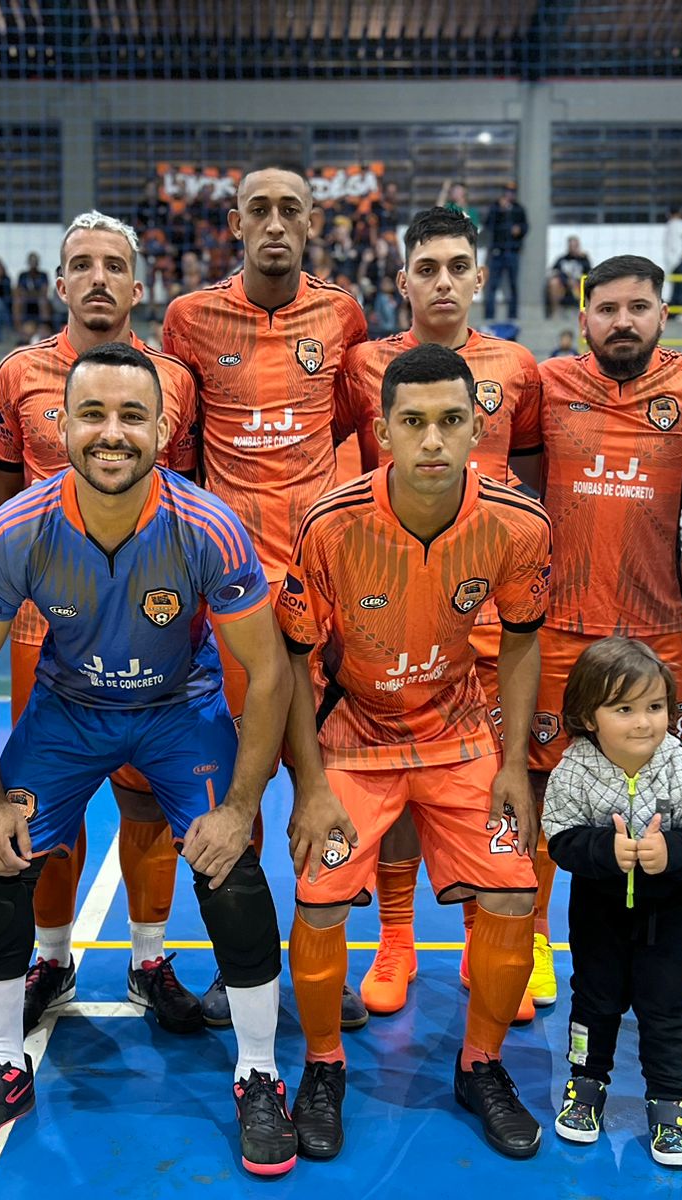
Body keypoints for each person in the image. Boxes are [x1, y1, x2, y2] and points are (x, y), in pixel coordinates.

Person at [0, 341, 298, 1174]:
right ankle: (2, 1061)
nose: (112, 432)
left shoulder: (207, 526)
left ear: (164, 428)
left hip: (181, 709)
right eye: (93, 413)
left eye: (132, 415)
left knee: (231, 869)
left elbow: (270, 667)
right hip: (69, 713)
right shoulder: (16, 529)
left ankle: (259, 1072)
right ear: (60, 423)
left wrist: (241, 805)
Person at [280, 343, 552, 1162]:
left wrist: (509, 765)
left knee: (513, 891)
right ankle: (323, 1066)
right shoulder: (330, 524)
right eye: (413, 422)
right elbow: (295, 659)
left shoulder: (517, 522)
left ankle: (482, 1064)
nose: (433, 439)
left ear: (477, 428)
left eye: (451, 421)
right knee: (320, 899)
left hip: (459, 733)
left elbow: (521, 645)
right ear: (383, 431)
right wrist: (309, 785)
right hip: (353, 736)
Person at [0, 212, 205, 1036]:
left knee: (148, 806)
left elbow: (185, 497)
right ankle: (51, 959)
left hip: (150, 627)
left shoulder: (174, 378)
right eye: (83, 264)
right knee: (50, 809)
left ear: (139, 285)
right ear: (62, 282)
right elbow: (2, 499)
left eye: (115, 263)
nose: (99, 277)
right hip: (47, 630)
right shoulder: (18, 374)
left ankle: (148, 959)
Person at [162, 163, 370, 1026]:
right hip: (231, 599)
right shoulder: (189, 319)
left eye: (291, 208)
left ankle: (329, 965)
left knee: (331, 787)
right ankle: (239, 964)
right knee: (230, 791)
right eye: (260, 210)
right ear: (235, 225)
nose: (276, 223)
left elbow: (355, 428)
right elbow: (175, 441)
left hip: (324, 596)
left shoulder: (343, 312)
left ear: (312, 222)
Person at [336, 207, 544, 1020]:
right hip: (392, 612)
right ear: (402, 280)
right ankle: (395, 941)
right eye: (427, 268)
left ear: (481, 277)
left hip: (492, 616)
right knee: (394, 788)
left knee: (486, 782)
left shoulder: (518, 366)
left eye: (458, 266)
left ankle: (475, 942)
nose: (444, 281)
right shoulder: (360, 365)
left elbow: (527, 477)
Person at [527, 255, 682, 1010]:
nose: (622, 321)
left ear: (662, 316)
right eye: (607, 308)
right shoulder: (547, 385)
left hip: (658, 628)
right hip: (560, 627)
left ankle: (670, 949)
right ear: (584, 316)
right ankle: (534, 942)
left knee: (674, 792)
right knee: (547, 785)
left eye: (637, 307)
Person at [544, 638, 682, 1167]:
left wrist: (672, 851)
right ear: (587, 715)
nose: (644, 722)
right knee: (593, 1001)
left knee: (668, 1009)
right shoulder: (573, 771)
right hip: (598, 916)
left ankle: (669, 1103)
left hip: (667, 920)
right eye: (623, 709)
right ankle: (585, 1085)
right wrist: (606, 849)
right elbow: (560, 837)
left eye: (655, 707)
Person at [482, 182, 527, 321]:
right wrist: (501, 211)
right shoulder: (496, 207)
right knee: (492, 285)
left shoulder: (519, 209)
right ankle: (489, 315)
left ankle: (512, 315)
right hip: (497, 251)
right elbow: (488, 224)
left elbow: (525, 226)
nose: (509, 194)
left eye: (512, 192)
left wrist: (519, 229)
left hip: (512, 251)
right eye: (507, 191)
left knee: (513, 285)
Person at [546, 236, 591, 318]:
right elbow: (554, 271)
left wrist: (577, 280)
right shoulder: (562, 259)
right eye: (571, 246)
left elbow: (589, 274)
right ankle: (555, 312)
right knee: (553, 283)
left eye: (575, 246)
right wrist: (566, 280)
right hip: (564, 285)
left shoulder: (583, 260)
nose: (573, 248)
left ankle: (586, 313)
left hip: (578, 285)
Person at [14, 252, 51, 340]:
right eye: (31, 261)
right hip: (26, 301)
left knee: (43, 301)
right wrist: (31, 293)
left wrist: (31, 293)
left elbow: (44, 290)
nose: (33, 263)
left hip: (38, 300)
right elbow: (19, 290)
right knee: (18, 301)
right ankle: (18, 327)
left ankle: (45, 324)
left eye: (35, 261)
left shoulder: (43, 275)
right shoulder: (22, 275)